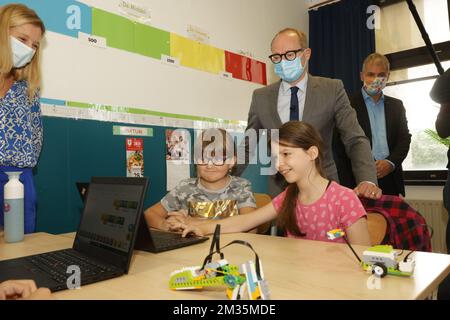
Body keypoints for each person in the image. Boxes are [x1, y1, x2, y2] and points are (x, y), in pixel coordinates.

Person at [235, 28, 381, 201]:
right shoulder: (261, 97)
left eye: (289, 55)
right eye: (276, 57)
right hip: (280, 191)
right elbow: (249, 143)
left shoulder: (332, 89)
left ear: (306, 54)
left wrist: (367, 179)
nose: (282, 62)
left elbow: (354, 138)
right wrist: (223, 173)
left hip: (324, 189)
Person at [174, 121, 372, 246]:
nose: (279, 164)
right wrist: (200, 228)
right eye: (276, 157)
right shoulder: (289, 197)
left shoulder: (344, 198)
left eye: (286, 154)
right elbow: (244, 221)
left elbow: (364, 259)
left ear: (312, 153)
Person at [145, 128, 257, 232]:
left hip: (229, 250)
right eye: (203, 158)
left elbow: (251, 227)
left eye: (217, 159)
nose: (209, 165)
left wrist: (193, 222)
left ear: (232, 161)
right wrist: (166, 225)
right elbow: (149, 214)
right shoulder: (185, 187)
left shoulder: (241, 187)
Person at [334, 53, 411, 196]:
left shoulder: (397, 106)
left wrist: (390, 163)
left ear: (387, 76)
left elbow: (404, 140)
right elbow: (338, 146)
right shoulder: (346, 105)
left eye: (381, 75)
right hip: (356, 182)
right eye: (370, 74)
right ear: (362, 76)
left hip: (391, 179)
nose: (375, 80)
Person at [0, 4, 45, 233]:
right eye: (22, 39)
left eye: (34, 45)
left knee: (20, 253)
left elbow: (36, 139)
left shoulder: (27, 89)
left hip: (20, 181)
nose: (28, 49)